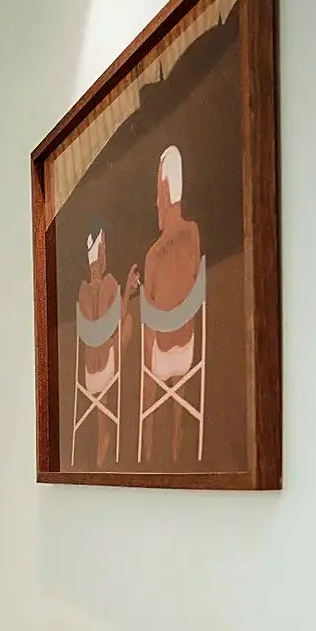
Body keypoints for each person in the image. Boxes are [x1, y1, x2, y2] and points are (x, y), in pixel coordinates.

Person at [139, 145, 202, 463]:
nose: (155, 202)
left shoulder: (152, 254)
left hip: (160, 361)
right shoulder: (193, 233)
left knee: (149, 328)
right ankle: (178, 438)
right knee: (177, 321)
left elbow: (148, 314)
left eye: (156, 194)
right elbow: (190, 280)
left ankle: (147, 433)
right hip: (188, 356)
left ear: (164, 191)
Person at [77, 226, 137, 466]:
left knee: (101, 344)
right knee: (129, 322)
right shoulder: (111, 283)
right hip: (108, 370)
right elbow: (120, 319)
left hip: (89, 377)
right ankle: (105, 436)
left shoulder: (82, 293)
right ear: (102, 257)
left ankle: (103, 436)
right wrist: (129, 291)